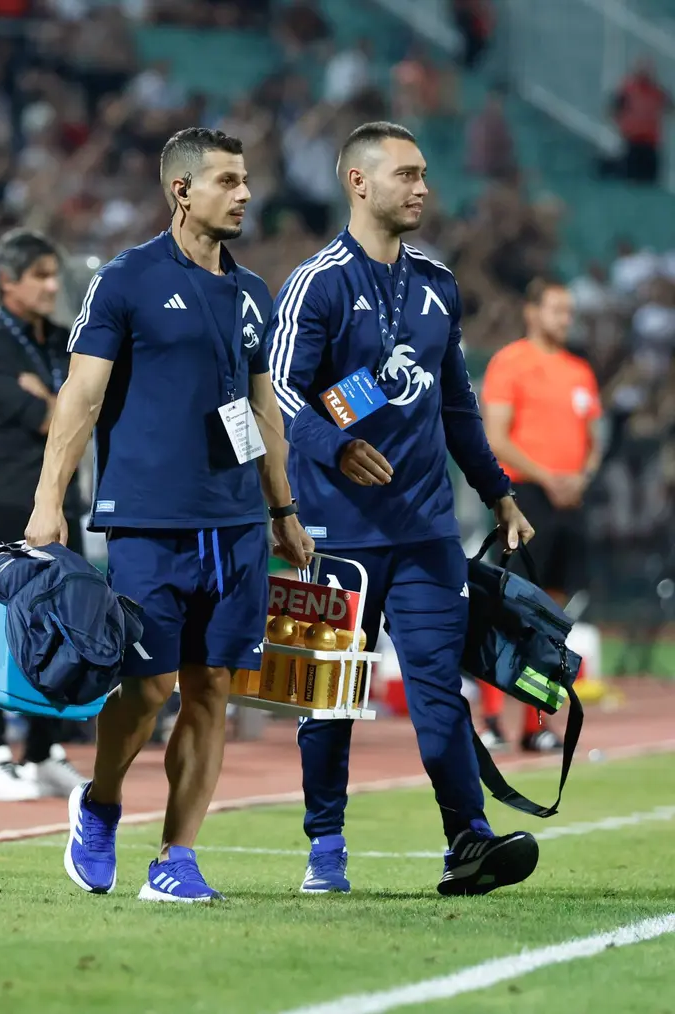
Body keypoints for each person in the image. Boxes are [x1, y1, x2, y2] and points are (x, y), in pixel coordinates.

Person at [24, 127, 313, 903]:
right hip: (150, 520)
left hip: (238, 525)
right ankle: (100, 802)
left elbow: (264, 410)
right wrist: (49, 501)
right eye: (227, 181)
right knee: (148, 688)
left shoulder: (254, 293)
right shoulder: (126, 280)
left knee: (212, 687)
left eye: (245, 180)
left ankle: (175, 858)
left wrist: (283, 507)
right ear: (181, 191)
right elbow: (81, 396)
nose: (245, 194)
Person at [269, 120, 537, 897]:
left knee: (439, 693)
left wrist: (497, 491)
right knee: (326, 698)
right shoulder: (317, 282)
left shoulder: (437, 284)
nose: (423, 187)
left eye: (424, 174)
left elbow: (457, 406)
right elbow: (278, 391)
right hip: (330, 534)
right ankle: (325, 845)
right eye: (407, 174)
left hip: (426, 533)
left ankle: (468, 841)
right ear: (359, 183)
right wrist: (335, 447)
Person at [0, 229, 86, 802]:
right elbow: (55, 418)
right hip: (10, 502)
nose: (52, 286)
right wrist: (59, 404)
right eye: (39, 275)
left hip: (61, 504)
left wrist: (51, 399)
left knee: (60, 629)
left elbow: (86, 412)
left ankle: (41, 750)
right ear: (7, 281)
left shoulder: (62, 340)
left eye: (54, 274)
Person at [480, 278, 603, 749]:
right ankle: (493, 720)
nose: (565, 319)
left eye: (569, 311)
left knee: (551, 620)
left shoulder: (580, 371)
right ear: (531, 312)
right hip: (525, 499)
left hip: (569, 503)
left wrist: (581, 476)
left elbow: (594, 438)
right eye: (556, 310)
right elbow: (496, 437)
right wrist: (550, 477)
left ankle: (534, 725)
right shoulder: (509, 363)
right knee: (507, 608)